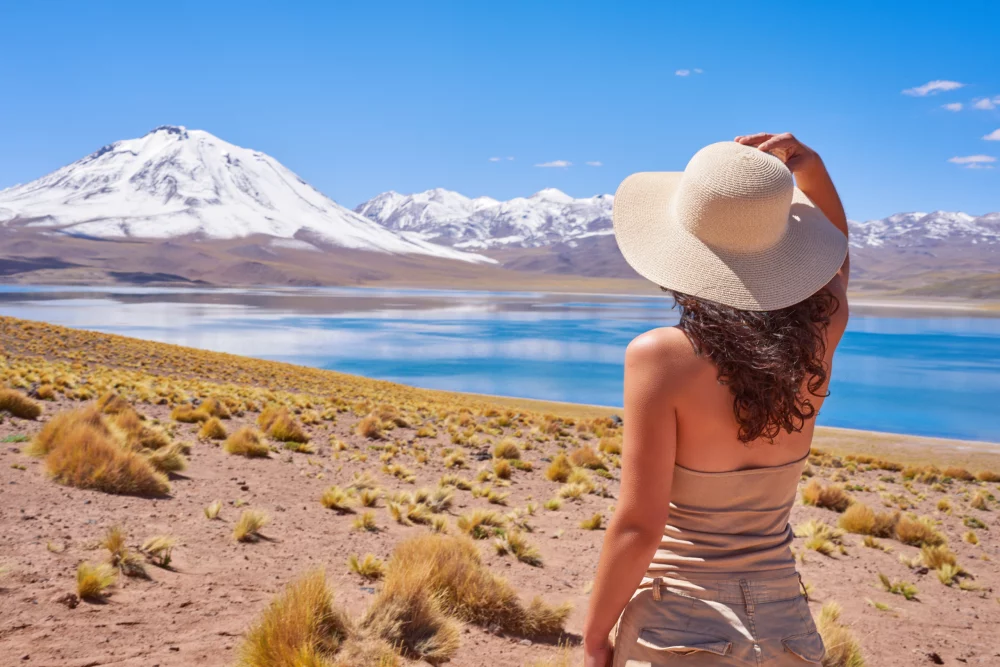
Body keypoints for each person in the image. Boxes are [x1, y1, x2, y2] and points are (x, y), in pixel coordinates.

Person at [582, 133, 850, 666]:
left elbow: (639, 526)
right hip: (789, 633)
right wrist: (811, 169)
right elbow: (836, 270)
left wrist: (594, 638)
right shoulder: (817, 343)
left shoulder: (661, 358)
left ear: (682, 249)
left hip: (680, 627)